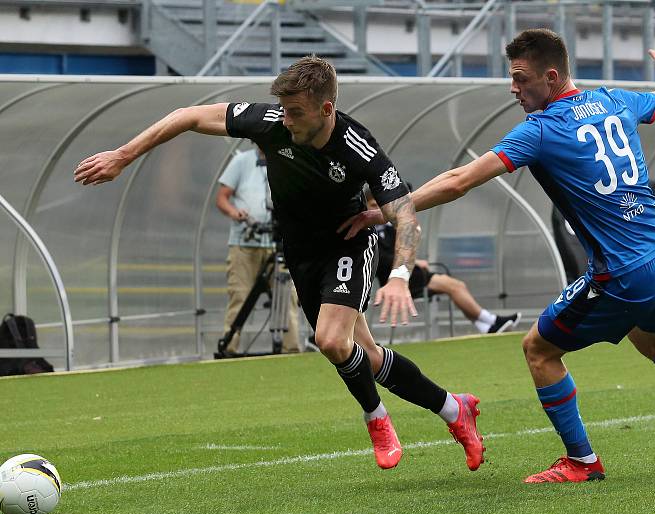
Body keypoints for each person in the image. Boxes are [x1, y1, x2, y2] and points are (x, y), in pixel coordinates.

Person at [341, 27, 655, 483]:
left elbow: (460, 180)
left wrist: (386, 213)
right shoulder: (613, 99)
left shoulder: (542, 129)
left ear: (551, 77)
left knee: (538, 349)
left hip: (624, 269)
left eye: (521, 78)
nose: (513, 88)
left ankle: (582, 461)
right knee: (649, 338)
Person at [74, 55, 484, 472]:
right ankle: (455, 409)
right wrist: (123, 156)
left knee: (330, 341)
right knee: (367, 356)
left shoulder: (358, 146)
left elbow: (406, 214)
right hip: (300, 253)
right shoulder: (270, 121)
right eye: (283, 110)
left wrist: (398, 276)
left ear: (326, 110)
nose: (286, 120)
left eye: (295, 112)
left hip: (347, 247)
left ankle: (376, 418)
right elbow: (188, 115)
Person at [369, 196, 521, 335]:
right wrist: (413, 262)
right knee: (455, 286)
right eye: (373, 205)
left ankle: (488, 325)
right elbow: (382, 260)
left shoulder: (389, 228)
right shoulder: (368, 234)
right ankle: (491, 322)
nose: (379, 209)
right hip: (397, 280)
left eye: (380, 205)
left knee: (456, 286)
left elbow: (404, 245)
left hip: (411, 274)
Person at [215, 145, 301, 354]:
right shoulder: (241, 161)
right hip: (245, 245)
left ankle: (291, 349)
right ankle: (230, 347)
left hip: (280, 244)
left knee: (288, 297)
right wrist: (236, 214)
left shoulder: (287, 159)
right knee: (240, 295)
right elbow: (222, 197)